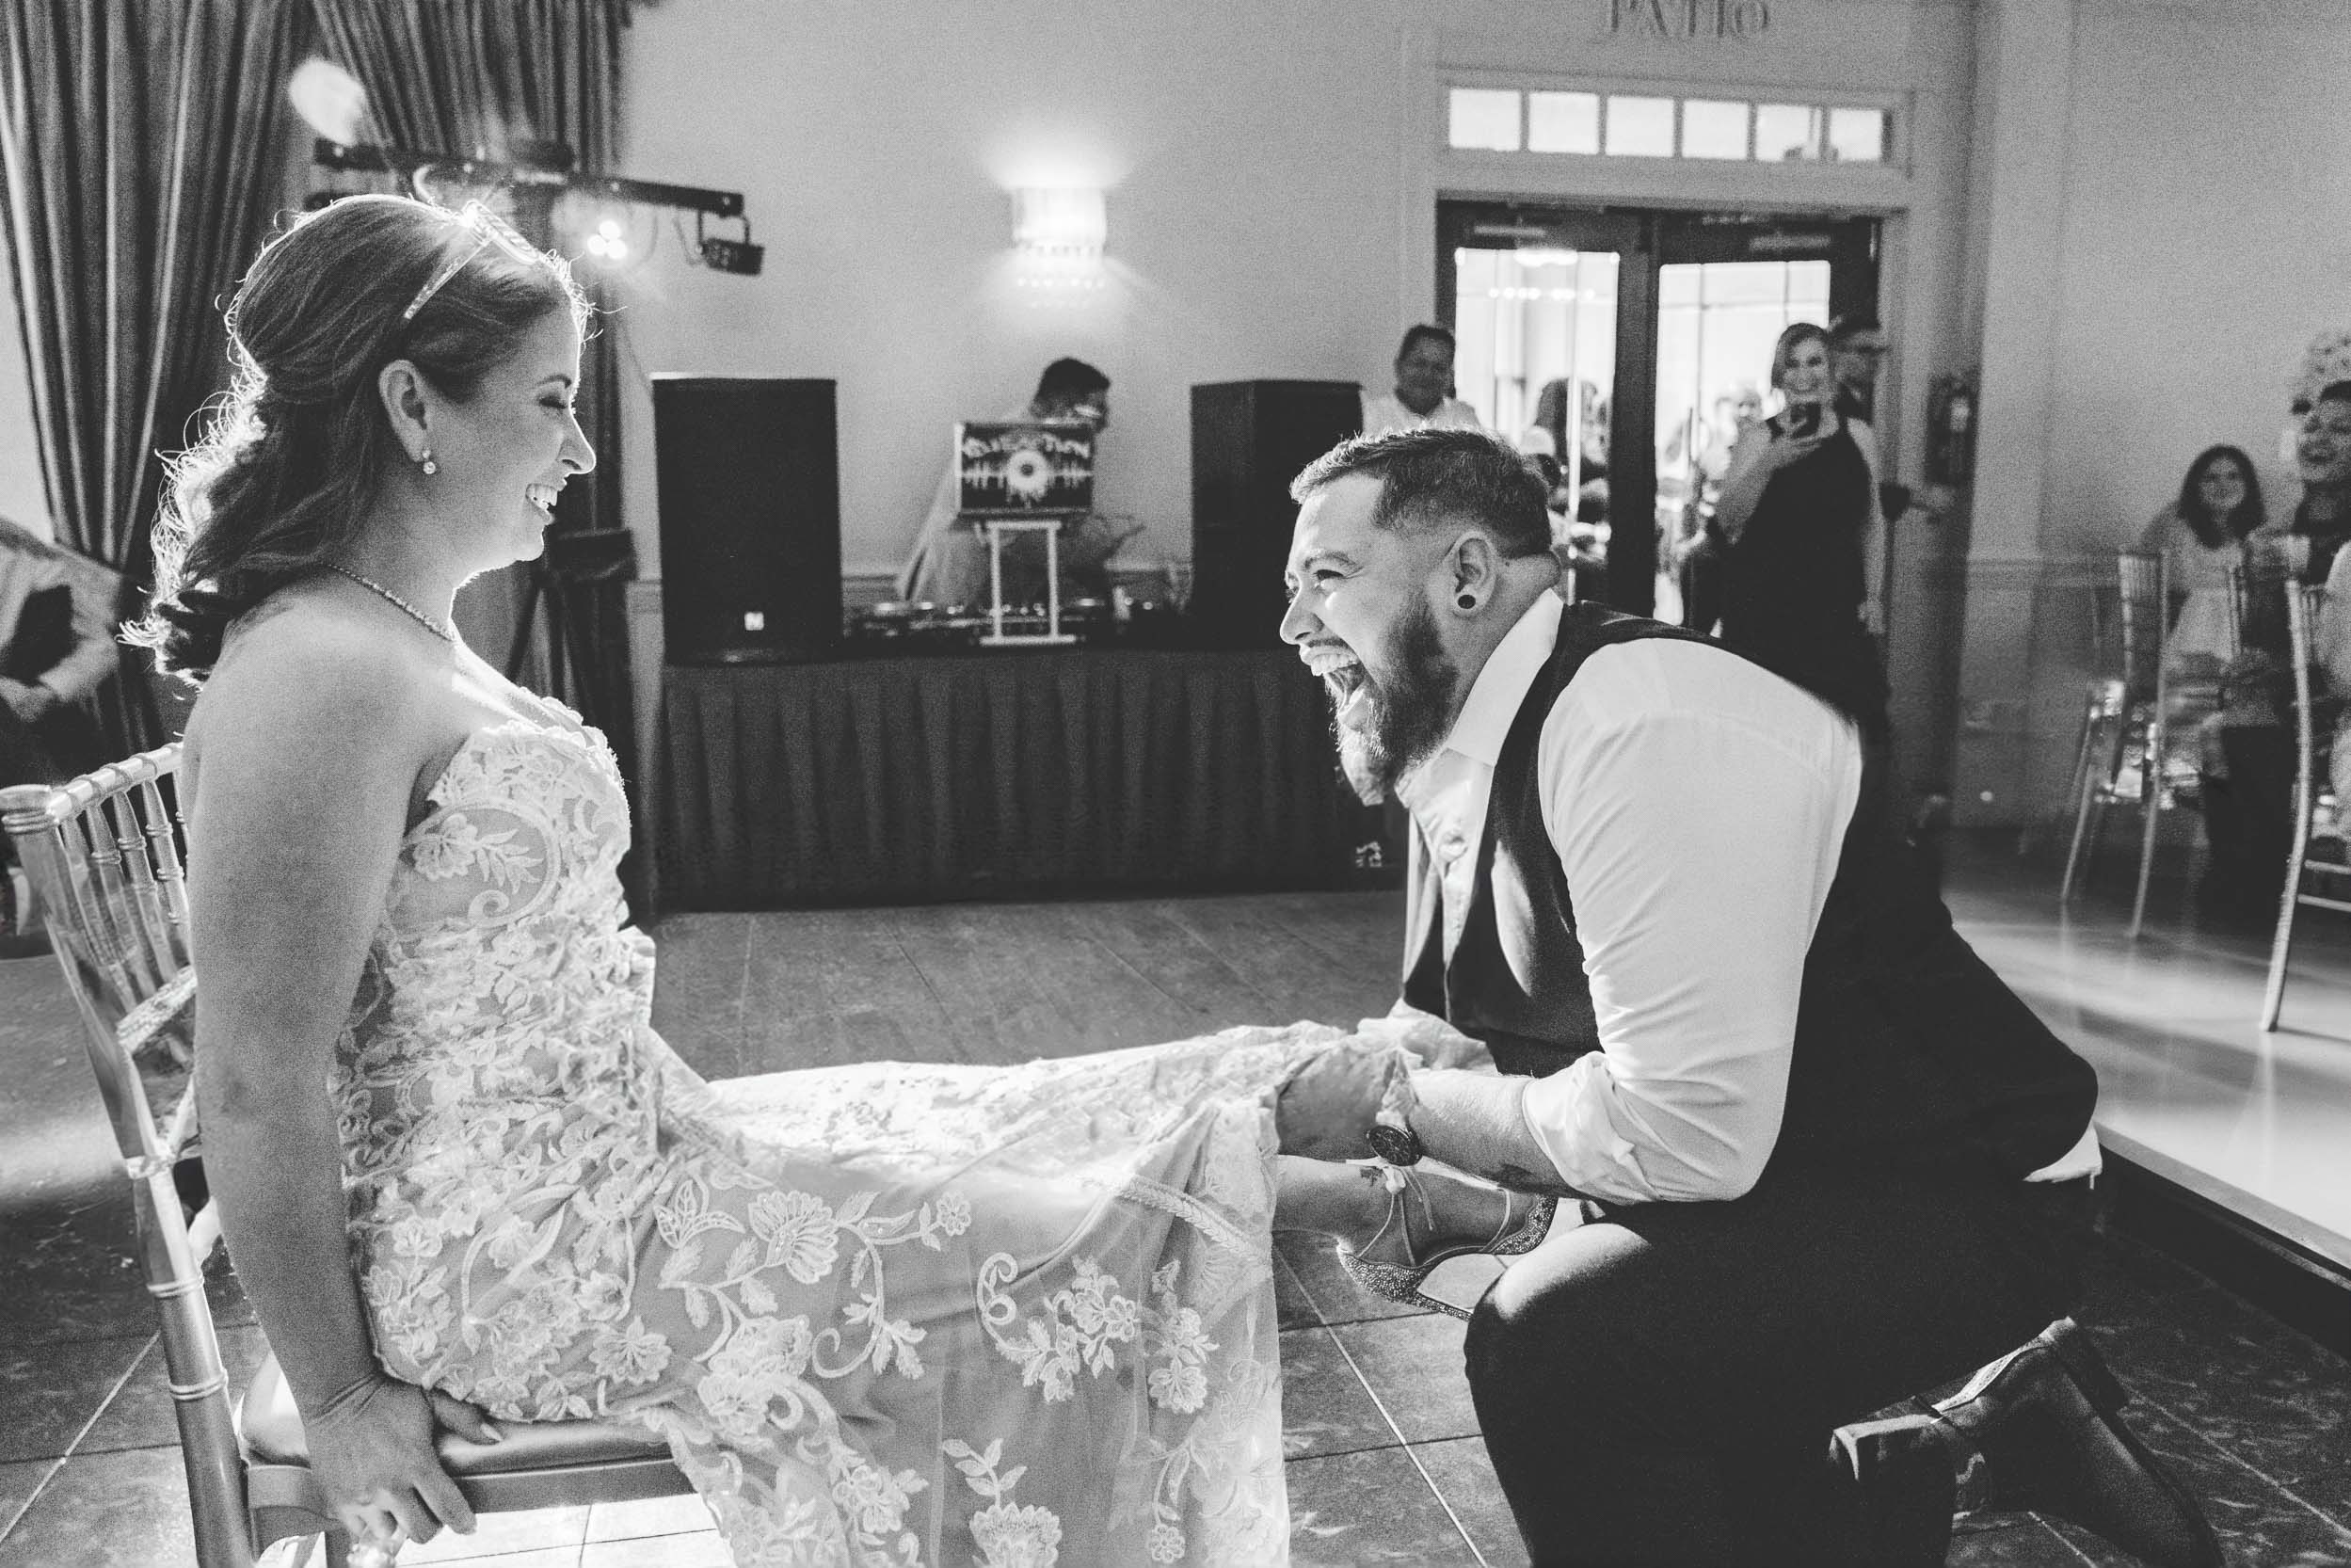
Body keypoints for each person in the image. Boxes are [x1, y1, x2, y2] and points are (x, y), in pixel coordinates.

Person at [134, 194, 1543, 1567]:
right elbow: (256, 1073)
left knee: (1016, 1107)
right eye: (551, 399)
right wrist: (334, 1398)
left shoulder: (397, 638)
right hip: (515, 1261)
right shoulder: (316, 675)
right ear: (409, 407)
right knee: (1020, 1213)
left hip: (629, 1153)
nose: (575, 447)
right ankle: (1386, 1193)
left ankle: (1399, 1101)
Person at [1277, 426, 2222, 1568]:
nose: (1292, 627)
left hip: (1961, 1189)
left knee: (1556, 1341)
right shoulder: (1454, 730)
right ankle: (1962, 1446)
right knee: (1661, 1409)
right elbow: (1452, 1010)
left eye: (1325, 580)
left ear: (1467, 577)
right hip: (1781, 1165)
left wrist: (1400, 1107)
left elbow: (1681, 1138)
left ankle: (1948, 1443)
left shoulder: (1633, 724)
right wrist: (1284, 1089)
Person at [2199, 385, 2351, 920]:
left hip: (2339, 690)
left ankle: (2259, 895)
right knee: (2231, 723)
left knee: (2254, 730)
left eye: (2340, 429)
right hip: (2291, 689)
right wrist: (2257, 659)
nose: (2320, 438)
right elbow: (2264, 635)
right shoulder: (2278, 533)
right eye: (2314, 426)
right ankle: (2246, 895)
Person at [1711, 322, 1890, 734]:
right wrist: (1771, 461)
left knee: (1847, 728)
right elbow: (1726, 522)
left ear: (1830, 369)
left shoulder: (1858, 435)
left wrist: (1874, 596)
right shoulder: (1759, 438)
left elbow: (1872, 523)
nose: (1804, 374)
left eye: (1815, 361)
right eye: (1792, 364)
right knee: (1769, 729)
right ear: (1780, 375)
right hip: (1768, 607)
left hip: (1837, 606)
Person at [893, 357, 1136, 607]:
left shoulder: (1039, 442)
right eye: (1097, 411)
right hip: (953, 591)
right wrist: (1092, 550)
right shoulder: (1017, 445)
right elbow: (1022, 542)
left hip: (974, 592)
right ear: (1061, 406)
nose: (1105, 424)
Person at [1, 513, 121, 952]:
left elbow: (100, 648)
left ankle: (68, 896)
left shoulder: (35, 561)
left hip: (40, 719)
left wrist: (45, 693)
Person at [1359, 324, 1481, 438]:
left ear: (1449, 376)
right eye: (1419, 364)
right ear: (1399, 366)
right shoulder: (1369, 414)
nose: (1427, 375)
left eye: (1438, 368)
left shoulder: (1464, 418)